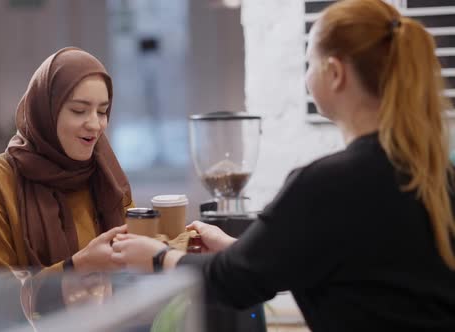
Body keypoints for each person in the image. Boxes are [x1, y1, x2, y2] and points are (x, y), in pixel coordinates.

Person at [111, 0, 455, 331]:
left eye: (310, 64)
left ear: (334, 73)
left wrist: (157, 257)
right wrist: (239, 249)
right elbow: (345, 264)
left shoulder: (327, 184)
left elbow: (232, 284)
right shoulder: (439, 175)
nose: (307, 76)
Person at [0, 47, 132, 327]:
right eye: (79, 110)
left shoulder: (106, 175)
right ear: (46, 110)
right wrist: (76, 269)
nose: (95, 124)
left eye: (103, 111)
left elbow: (131, 264)